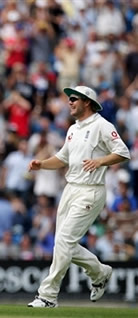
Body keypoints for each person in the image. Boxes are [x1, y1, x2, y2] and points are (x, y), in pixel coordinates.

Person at [27, 86, 130, 308]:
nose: (69, 102)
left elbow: (123, 152)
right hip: (70, 188)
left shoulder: (102, 125)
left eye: (74, 98)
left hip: (90, 190)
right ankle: (100, 272)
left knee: (64, 240)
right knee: (63, 243)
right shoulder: (73, 129)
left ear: (88, 102)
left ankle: (47, 295)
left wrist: (101, 161)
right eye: (69, 99)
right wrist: (42, 164)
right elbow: (62, 158)